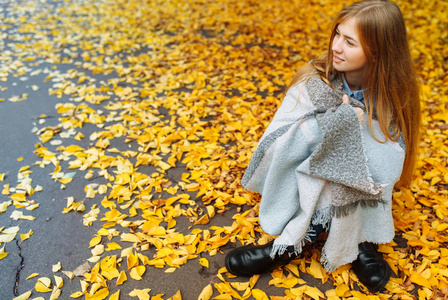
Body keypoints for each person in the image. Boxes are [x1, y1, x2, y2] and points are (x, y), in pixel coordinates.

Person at [225, 0, 421, 293]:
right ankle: (294, 239)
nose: (336, 47)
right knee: (334, 151)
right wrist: (334, 125)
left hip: (360, 187)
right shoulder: (315, 79)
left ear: (378, 52)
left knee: (351, 154)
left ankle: (359, 240)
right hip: (306, 174)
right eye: (337, 34)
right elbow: (283, 138)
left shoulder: (393, 95)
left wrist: (355, 131)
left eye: (350, 42)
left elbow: (390, 159)